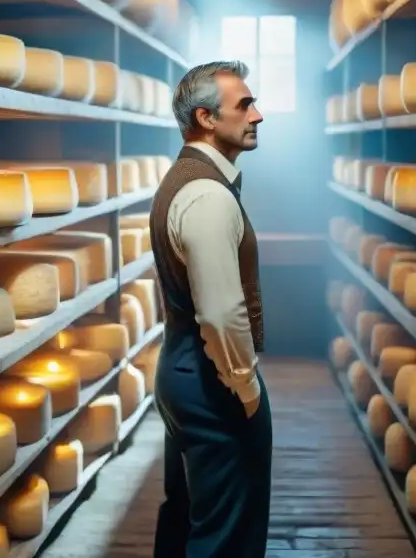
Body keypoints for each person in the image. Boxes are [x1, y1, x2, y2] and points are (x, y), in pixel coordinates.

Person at [149, 60, 270, 558]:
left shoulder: (187, 180)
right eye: (244, 105)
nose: (257, 115)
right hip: (211, 383)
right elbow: (221, 313)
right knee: (226, 537)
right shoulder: (205, 196)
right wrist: (245, 388)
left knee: (186, 519)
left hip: (183, 368)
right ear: (206, 118)